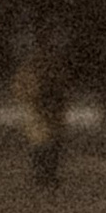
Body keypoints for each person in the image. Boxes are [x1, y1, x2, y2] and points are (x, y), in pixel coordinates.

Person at [14, 18, 71, 189]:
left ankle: (47, 175)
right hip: (38, 104)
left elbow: (62, 81)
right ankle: (42, 175)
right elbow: (23, 84)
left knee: (49, 141)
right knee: (42, 141)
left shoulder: (53, 63)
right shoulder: (34, 63)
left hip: (50, 103)